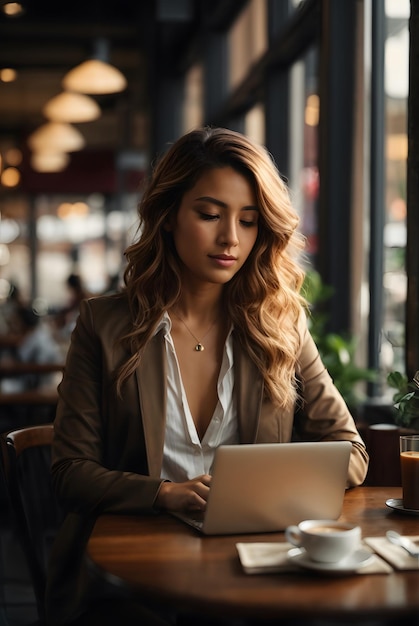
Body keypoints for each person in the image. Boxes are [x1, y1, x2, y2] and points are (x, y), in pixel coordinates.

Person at [46, 127, 369, 625]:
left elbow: (351, 451)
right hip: (129, 574)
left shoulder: (279, 326)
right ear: (169, 216)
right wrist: (161, 494)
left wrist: (265, 487)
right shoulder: (104, 325)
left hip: (251, 565)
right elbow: (70, 474)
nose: (230, 239)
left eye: (249, 220)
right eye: (210, 214)